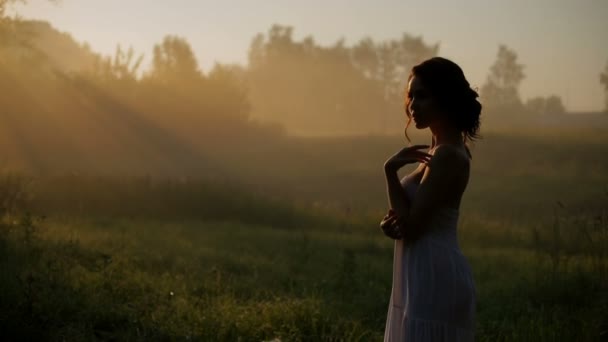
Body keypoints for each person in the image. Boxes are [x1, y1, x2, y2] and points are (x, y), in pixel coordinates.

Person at [380, 57, 480, 341]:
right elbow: (404, 217)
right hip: (419, 272)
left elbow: (412, 227)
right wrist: (389, 224)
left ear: (444, 98)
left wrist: (389, 171)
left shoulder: (448, 154)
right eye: (410, 95)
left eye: (422, 95)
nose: (412, 105)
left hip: (435, 276)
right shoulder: (436, 151)